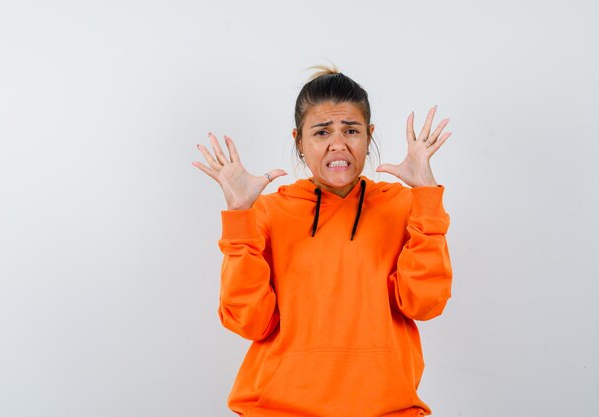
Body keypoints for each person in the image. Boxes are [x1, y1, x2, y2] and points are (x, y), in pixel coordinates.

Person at [192, 65, 453, 417]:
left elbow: (424, 304)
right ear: (299, 140)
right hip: (279, 409)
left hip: (388, 409)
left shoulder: (404, 206)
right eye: (321, 132)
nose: (338, 144)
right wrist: (240, 216)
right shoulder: (270, 211)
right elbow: (249, 322)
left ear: (369, 135)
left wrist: (425, 196)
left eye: (351, 130)